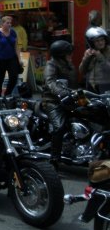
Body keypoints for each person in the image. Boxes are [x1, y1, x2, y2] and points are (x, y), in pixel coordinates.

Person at [43, 40, 77, 169]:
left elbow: (73, 83)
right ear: (61, 55)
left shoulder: (69, 64)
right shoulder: (51, 65)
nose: (71, 55)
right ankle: (54, 158)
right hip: (52, 100)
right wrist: (61, 92)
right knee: (59, 126)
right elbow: (50, 82)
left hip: (70, 99)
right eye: (68, 53)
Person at [0, 15, 21, 98]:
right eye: (7, 23)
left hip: (11, 58)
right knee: (0, 79)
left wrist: (19, 59)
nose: (9, 24)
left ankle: (7, 93)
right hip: (0, 59)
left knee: (14, 77)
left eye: (10, 23)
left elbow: (16, 47)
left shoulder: (13, 32)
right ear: (2, 24)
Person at [80, 27, 110, 93]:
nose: (100, 42)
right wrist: (86, 59)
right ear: (91, 43)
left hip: (106, 87)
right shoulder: (89, 52)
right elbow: (82, 71)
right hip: (91, 86)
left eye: (102, 40)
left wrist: (100, 57)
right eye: (97, 41)